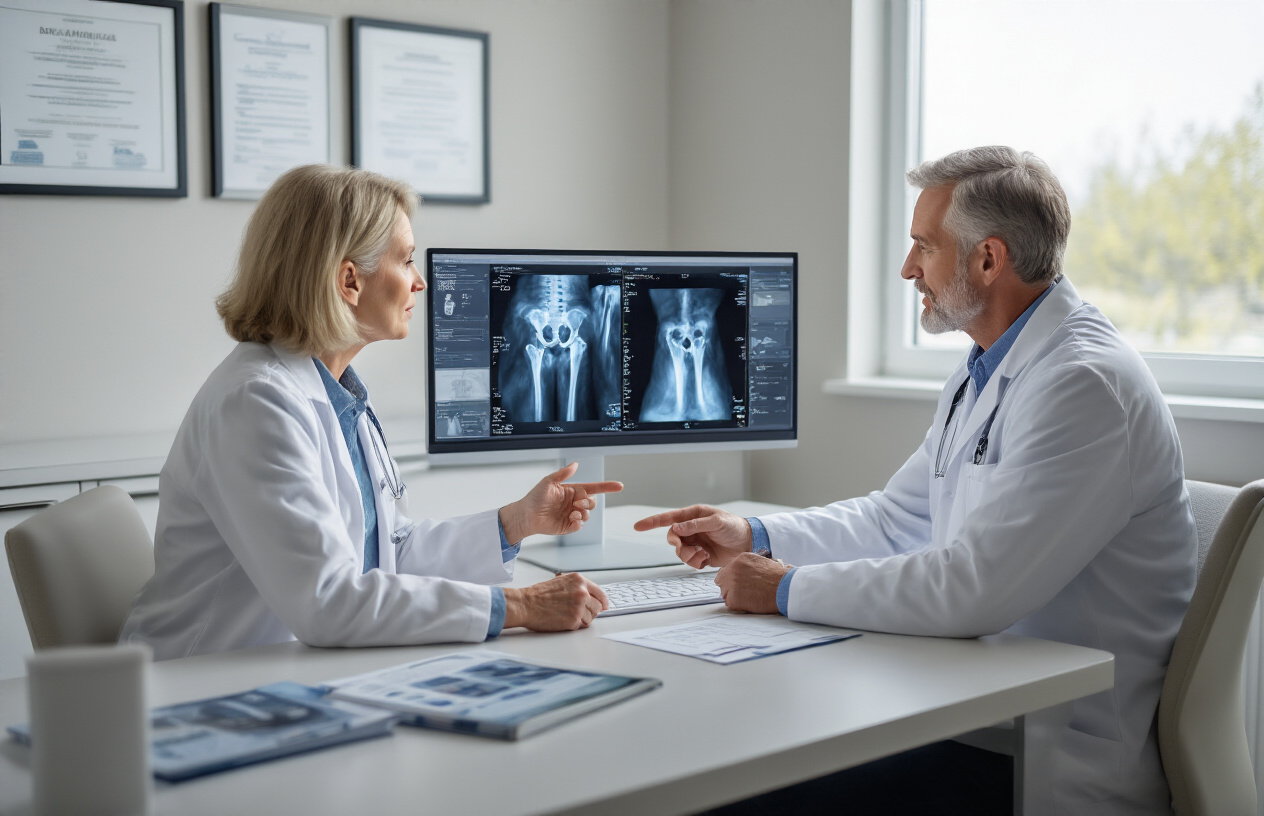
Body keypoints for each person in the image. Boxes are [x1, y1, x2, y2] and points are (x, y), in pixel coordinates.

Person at [636, 146, 1197, 815]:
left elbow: (973, 590)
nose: (909, 269)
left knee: (737, 794)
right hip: (966, 711)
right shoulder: (986, 368)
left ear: (988, 260)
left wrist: (784, 589)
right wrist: (753, 533)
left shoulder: (1083, 385)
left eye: (924, 248)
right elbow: (894, 521)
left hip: (1039, 755)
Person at [120, 164, 616, 660]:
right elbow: (329, 600)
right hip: (203, 687)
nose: (420, 282)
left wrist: (515, 522)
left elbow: (387, 555)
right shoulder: (254, 404)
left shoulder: (337, 391)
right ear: (349, 281)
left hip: (294, 671)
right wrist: (520, 606)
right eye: (406, 260)